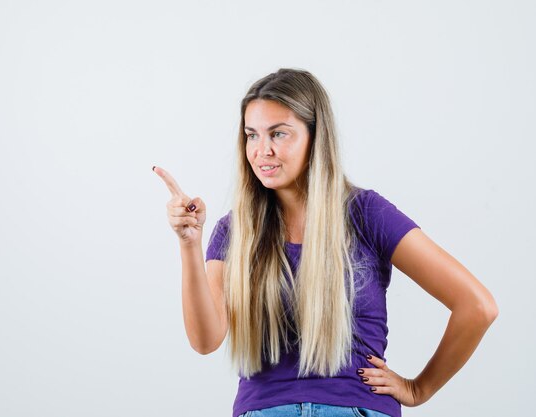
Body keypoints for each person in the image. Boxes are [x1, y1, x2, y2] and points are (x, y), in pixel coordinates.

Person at [153, 68, 498, 417]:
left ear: (315, 138)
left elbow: (477, 306)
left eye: (279, 134)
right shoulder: (235, 230)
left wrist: (418, 388)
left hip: (356, 407)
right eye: (252, 135)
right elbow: (205, 340)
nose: (262, 150)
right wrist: (189, 244)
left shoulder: (366, 213)